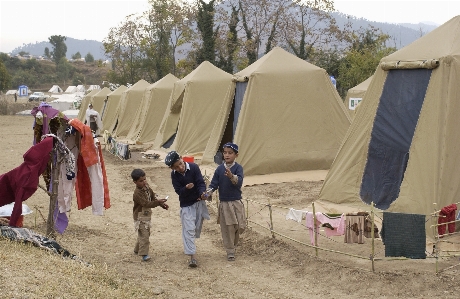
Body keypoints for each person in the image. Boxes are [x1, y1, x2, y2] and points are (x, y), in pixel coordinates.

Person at [165, 151, 210, 268]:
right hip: (186, 205)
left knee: (195, 228)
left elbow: (200, 182)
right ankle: (192, 257)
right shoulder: (174, 175)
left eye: (180, 163)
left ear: (181, 158)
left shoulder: (194, 167)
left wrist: (202, 193)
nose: (180, 167)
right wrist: (186, 188)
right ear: (171, 168)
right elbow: (178, 191)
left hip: (198, 202)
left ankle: (190, 247)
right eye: (176, 167)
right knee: (189, 229)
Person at [206, 142, 245, 261]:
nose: (227, 155)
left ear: (236, 155)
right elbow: (214, 184)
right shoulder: (219, 169)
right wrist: (208, 192)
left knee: (239, 226)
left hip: (236, 202)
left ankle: (234, 244)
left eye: (230, 153)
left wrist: (231, 176)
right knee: (228, 228)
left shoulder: (238, 168)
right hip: (225, 203)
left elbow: (239, 182)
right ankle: (230, 251)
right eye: (225, 153)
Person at [131, 168, 169, 262]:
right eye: (141, 181)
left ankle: (137, 250)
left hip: (146, 215)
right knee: (144, 235)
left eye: (144, 179)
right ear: (135, 182)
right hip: (140, 217)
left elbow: (152, 196)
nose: (144, 182)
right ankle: (144, 254)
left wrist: (161, 204)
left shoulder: (147, 187)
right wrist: (158, 202)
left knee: (145, 233)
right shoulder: (137, 193)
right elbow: (146, 204)